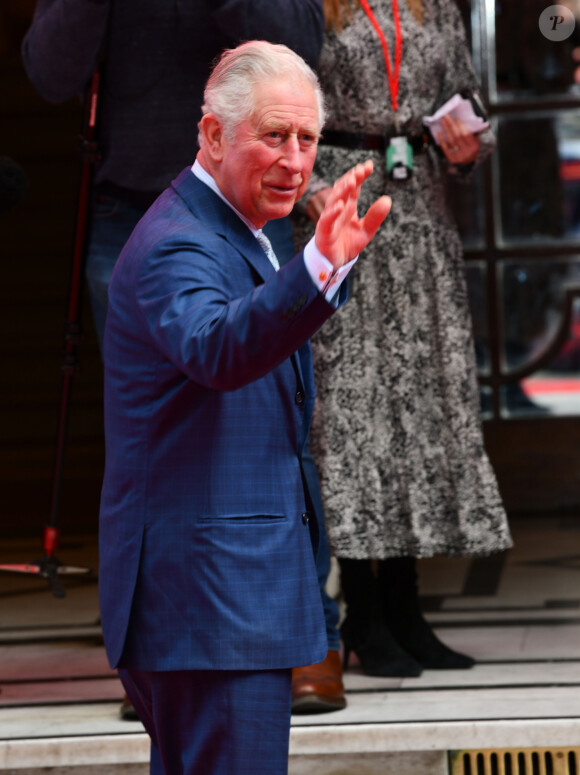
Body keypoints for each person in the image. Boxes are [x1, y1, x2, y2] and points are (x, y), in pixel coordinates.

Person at [21, 0, 345, 715]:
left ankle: (309, 635)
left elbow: (299, 41)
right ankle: (170, 646)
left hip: (246, 198)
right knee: (150, 438)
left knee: (271, 423)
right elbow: (49, 72)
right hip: (130, 202)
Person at [98, 40, 390, 774]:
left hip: (221, 604)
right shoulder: (178, 243)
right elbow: (219, 347)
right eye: (274, 135)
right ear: (211, 134)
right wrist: (319, 268)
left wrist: (320, 266)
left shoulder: (236, 227)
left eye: (307, 139)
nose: (295, 161)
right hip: (210, 606)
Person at [292, 0, 513, 678]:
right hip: (341, 209)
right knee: (354, 418)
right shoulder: (307, 7)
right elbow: (280, 113)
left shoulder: (437, 5)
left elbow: (467, 100)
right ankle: (362, 610)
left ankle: (406, 607)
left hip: (421, 216)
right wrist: (310, 193)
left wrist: (470, 144)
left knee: (417, 413)